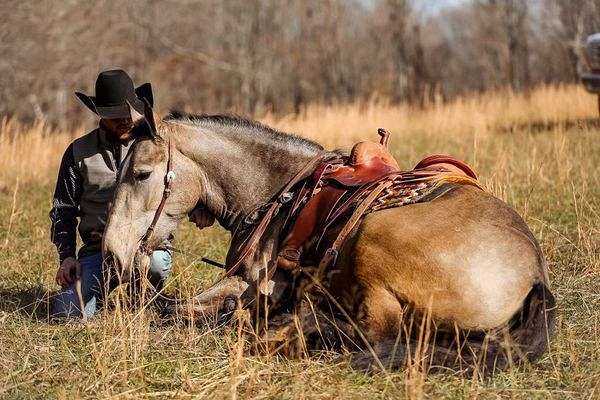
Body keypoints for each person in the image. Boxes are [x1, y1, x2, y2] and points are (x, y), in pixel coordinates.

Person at [50, 69, 172, 319]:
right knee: (67, 314)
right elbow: (63, 210)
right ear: (100, 114)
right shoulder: (78, 152)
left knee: (158, 265)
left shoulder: (153, 147)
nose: (125, 120)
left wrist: (203, 212)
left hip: (145, 249)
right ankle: (99, 291)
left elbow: (179, 189)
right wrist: (67, 257)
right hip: (98, 251)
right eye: (115, 116)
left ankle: (146, 292)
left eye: (128, 113)